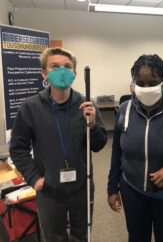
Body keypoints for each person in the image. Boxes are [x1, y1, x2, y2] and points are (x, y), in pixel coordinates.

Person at [9, 47, 108, 242]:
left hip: (82, 185)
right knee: (54, 237)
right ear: (44, 73)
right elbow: (18, 149)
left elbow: (99, 145)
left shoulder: (86, 105)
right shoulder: (30, 107)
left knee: (82, 236)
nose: (62, 71)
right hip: (49, 189)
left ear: (75, 73)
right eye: (55, 66)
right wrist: (34, 178)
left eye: (67, 67)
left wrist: (94, 125)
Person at [107, 54, 163, 242]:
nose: (146, 88)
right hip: (131, 188)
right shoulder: (125, 110)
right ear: (134, 83)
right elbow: (117, 149)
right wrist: (112, 187)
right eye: (140, 83)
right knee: (137, 237)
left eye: (152, 82)